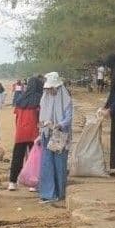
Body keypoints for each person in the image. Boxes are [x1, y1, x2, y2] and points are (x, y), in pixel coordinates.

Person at [38, 72, 73, 203]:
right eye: (48, 89)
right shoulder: (45, 98)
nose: (50, 91)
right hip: (47, 135)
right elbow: (42, 116)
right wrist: (43, 127)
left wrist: (58, 125)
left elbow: (68, 118)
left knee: (59, 164)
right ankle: (48, 193)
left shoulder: (66, 100)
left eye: (52, 89)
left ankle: (59, 192)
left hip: (60, 136)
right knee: (47, 164)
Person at [8, 77, 43, 191]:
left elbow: (16, 117)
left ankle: (12, 182)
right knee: (34, 158)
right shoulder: (39, 99)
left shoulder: (20, 99)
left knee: (17, 157)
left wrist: (19, 128)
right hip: (34, 132)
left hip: (20, 132)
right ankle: (33, 183)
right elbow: (40, 117)